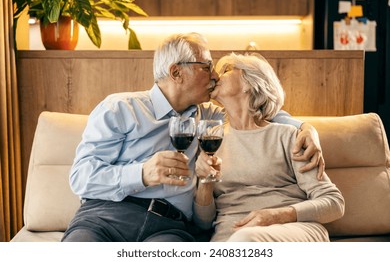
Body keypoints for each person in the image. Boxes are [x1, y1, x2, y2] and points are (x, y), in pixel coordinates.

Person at [62, 33, 325, 242]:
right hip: (106, 216)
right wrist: (141, 173)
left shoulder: (210, 116)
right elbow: (80, 177)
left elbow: (258, 110)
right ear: (176, 73)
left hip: (167, 228)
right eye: (206, 67)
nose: (214, 76)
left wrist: (305, 128)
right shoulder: (120, 108)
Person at [193, 52, 345, 242]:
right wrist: (205, 183)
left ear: (249, 82)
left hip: (292, 229)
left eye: (226, 70)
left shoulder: (288, 136)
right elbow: (202, 223)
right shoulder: (210, 140)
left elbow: (334, 202)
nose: (215, 76)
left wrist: (277, 215)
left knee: (245, 240)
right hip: (230, 238)